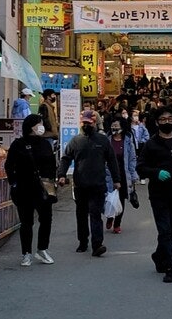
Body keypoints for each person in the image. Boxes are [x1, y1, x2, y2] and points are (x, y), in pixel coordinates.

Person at [136, 107, 172, 283]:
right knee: (165, 230)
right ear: (157, 122)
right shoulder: (151, 144)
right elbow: (141, 167)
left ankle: (158, 254)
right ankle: (170, 267)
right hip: (158, 194)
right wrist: (155, 173)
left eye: (170, 119)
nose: (167, 122)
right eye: (163, 119)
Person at [57, 110, 120, 257]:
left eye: (89, 122)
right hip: (80, 184)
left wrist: (116, 180)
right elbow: (66, 158)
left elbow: (112, 160)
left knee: (95, 214)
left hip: (98, 183)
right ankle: (83, 241)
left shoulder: (103, 140)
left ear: (94, 123)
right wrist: (61, 174)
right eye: (84, 122)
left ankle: (97, 244)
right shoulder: (75, 141)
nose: (86, 125)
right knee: (81, 214)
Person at [5, 114, 57, 266]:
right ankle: (26, 253)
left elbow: (52, 165)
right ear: (31, 127)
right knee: (26, 222)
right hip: (24, 188)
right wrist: (13, 182)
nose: (42, 126)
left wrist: (52, 183)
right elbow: (9, 165)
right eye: (39, 124)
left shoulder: (46, 144)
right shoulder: (18, 144)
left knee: (46, 219)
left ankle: (42, 249)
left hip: (44, 189)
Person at [105, 119, 139, 233]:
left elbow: (132, 159)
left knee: (121, 199)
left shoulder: (128, 141)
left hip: (124, 174)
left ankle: (117, 224)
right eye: (112, 125)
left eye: (116, 126)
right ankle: (110, 216)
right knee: (109, 198)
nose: (113, 128)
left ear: (122, 128)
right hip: (109, 174)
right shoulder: (106, 140)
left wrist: (133, 175)